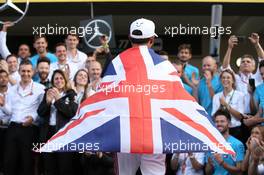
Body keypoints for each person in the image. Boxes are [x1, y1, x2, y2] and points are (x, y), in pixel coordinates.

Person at [115, 18, 166, 175]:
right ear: (152, 40)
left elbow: (106, 97)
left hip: (125, 130)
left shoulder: (117, 63)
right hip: (155, 132)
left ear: (130, 39)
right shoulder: (164, 65)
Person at [3, 60, 45, 175]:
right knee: (9, 161)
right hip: (13, 127)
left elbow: (42, 110)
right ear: (19, 71)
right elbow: (9, 111)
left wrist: (33, 117)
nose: (25, 73)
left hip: (30, 129)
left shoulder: (40, 88)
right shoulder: (11, 89)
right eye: (23, 71)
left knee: (27, 162)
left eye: (28, 71)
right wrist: (2, 105)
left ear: (33, 72)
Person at [37, 69, 78, 175]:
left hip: (64, 135)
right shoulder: (47, 92)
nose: (59, 80)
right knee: (50, 167)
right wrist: (47, 102)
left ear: (65, 80)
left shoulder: (71, 94)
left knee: (65, 167)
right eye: (56, 78)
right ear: (52, 81)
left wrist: (58, 100)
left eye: (61, 78)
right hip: (48, 134)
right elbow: (40, 113)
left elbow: (72, 113)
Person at [222, 33, 264, 115]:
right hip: (239, 116)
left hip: (256, 115)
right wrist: (230, 48)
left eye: (248, 62)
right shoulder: (235, 78)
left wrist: (256, 44)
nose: (245, 63)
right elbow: (225, 67)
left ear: (254, 67)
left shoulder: (258, 77)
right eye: (243, 62)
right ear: (239, 66)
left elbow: (262, 59)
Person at [205, 109, 245, 175]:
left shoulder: (237, 144)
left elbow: (240, 171)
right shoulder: (210, 144)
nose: (219, 124)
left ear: (229, 123)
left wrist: (222, 163)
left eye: (222, 121)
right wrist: (210, 164)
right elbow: (208, 172)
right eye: (216, 121)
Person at [212, 69, 245, 141]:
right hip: (221, 130)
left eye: (228, 77)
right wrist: (221, 107)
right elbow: (214, 116)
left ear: (233, 80)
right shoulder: (216, 96)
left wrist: (226, 105)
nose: (225, 79)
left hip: (236, 130)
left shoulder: (240, 95)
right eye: (223, 77)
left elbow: (240, 117)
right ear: (221, 80)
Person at [0, 69, 11, 173]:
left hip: (9, 128)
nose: (3, 79)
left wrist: (3, 121)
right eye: (0, 77)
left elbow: (13, 112)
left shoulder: (13, 92)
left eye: (5, 77)